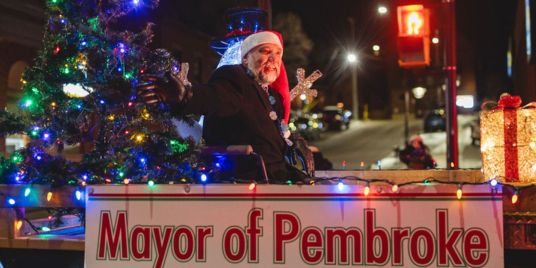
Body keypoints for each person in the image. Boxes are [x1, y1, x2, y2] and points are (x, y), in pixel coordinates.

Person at [140, 31, 310, 182]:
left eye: (278, 53)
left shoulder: (273, 97)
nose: (273, 59)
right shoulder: (235, 78)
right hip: (249, 181)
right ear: (245, 59)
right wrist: (187, 96)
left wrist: (293, 142)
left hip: (280, 178)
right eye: (265, 51)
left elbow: (274, 136)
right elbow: (218, 97)